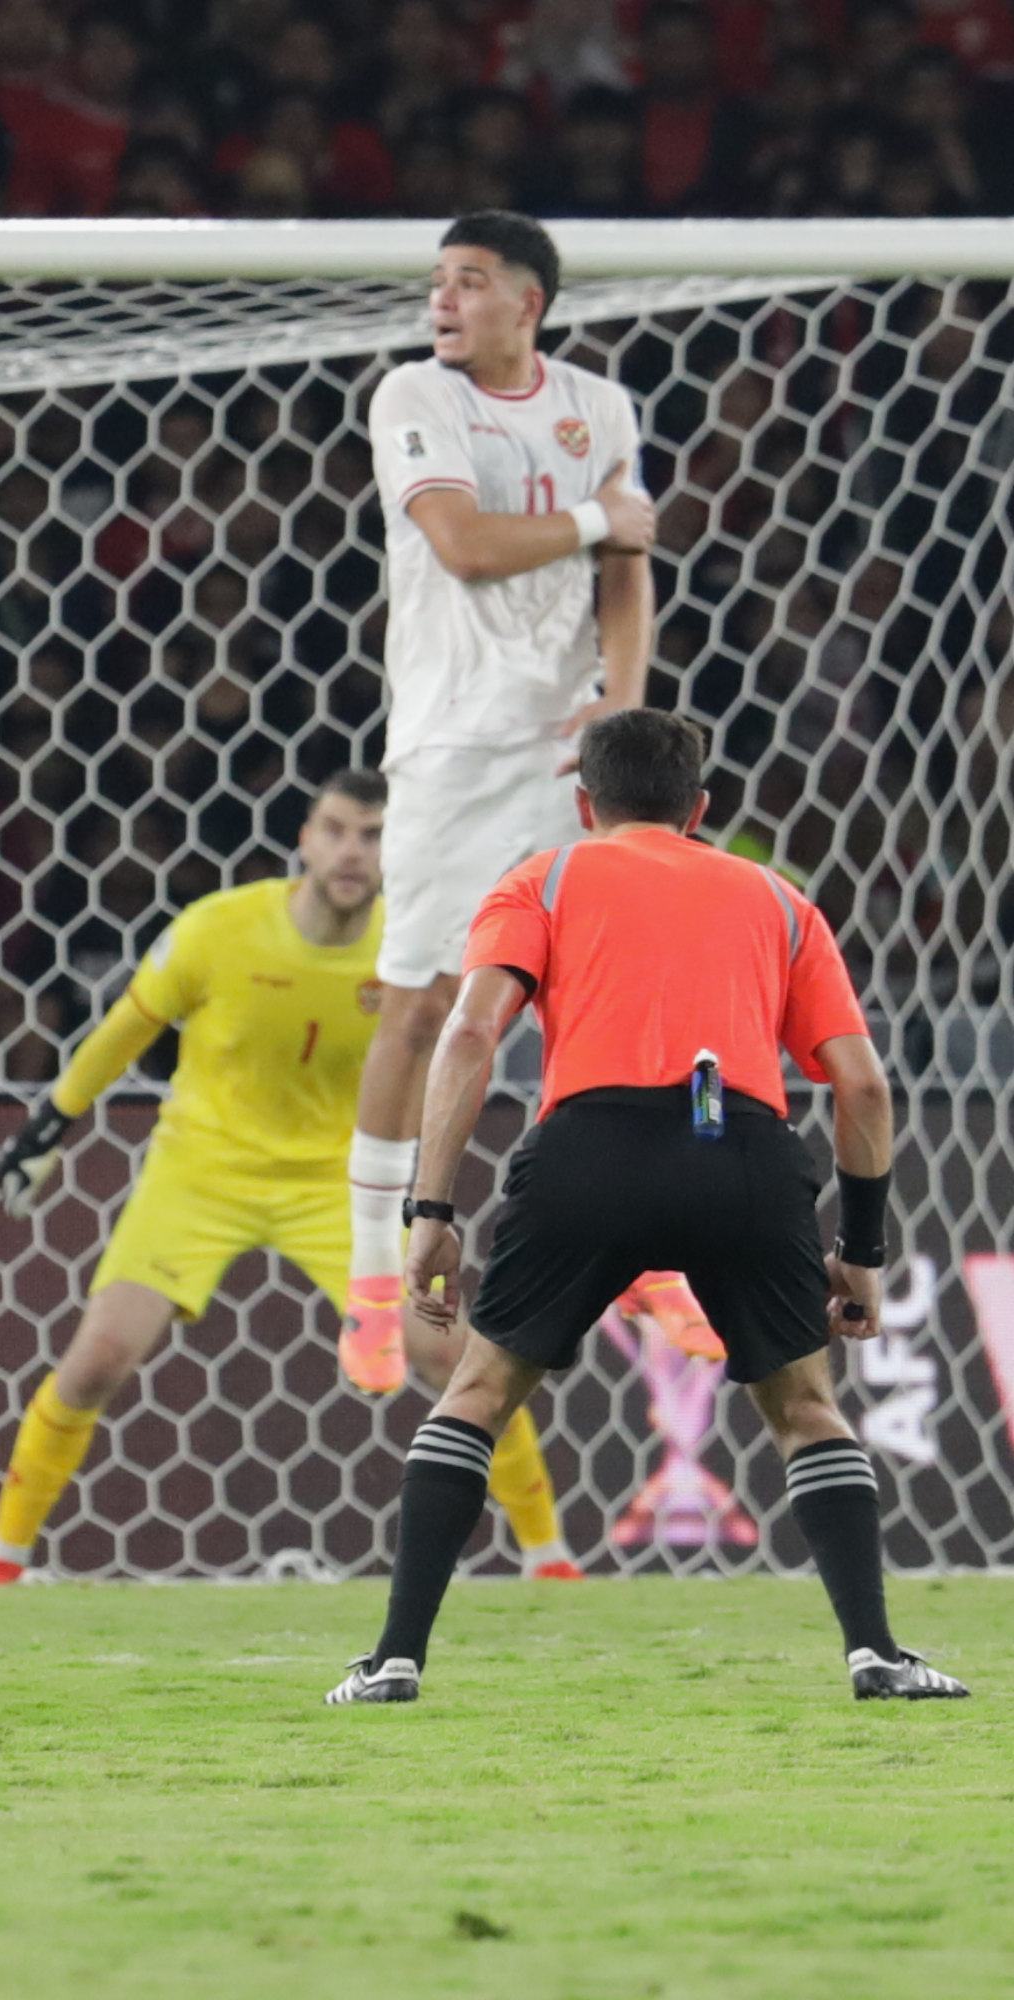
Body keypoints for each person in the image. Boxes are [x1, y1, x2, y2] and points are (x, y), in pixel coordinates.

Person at [330, 710, 968, 1704]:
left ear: (586, 804)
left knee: (480, 1394)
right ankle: (877, 1653)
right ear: (702, 807)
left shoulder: (542, 878)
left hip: (592, 1150)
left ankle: (395, 1658)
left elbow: (466, 1036)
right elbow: (865, 1086)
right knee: (807, 1408)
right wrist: (866, 1247)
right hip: (743, 1152)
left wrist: (430, 1206)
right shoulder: (780, 899)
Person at [0, 775, 583, 1583]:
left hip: (339, 1186)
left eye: (372, 836)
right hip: (201, 1173)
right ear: (304, 837)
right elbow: (128, 1026)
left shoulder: (411, 950)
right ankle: (0, 1561)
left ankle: (550, 1558)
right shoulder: (219, 929)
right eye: (335, 830)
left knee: (453, 1358)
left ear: (396, 849)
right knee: (95, 1364)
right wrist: (50, 1123)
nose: (350, 851)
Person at [345, 208, 712, 1412]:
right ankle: (374, 1281)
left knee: (603, 1005)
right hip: (454, 745)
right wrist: (605, 517)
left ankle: (651, 1256)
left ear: (529, 302)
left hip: (570, 751)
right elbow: (460, 543)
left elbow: (628, 571)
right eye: (436, 281)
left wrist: (623, 697)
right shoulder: (415, 396)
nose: (441, 300)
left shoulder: (599, 405)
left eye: (469, 281)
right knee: (423, 1005)